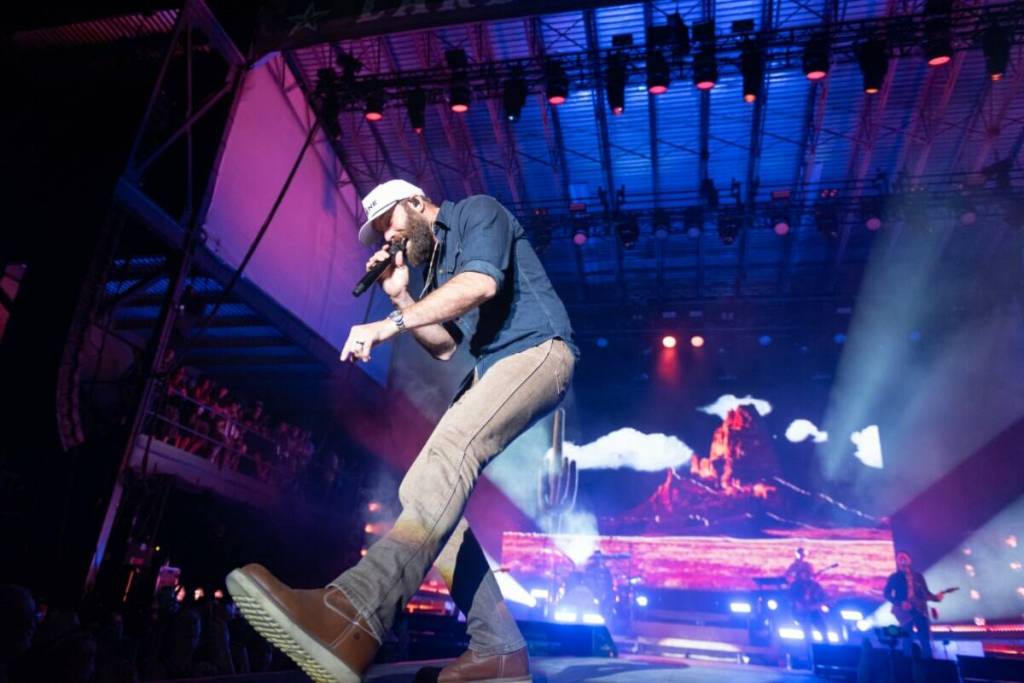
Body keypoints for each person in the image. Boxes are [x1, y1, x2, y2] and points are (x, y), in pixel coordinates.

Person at [226, 180, 577, 683]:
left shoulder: (479, 211)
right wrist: (400, 293)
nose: (388, 238)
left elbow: (481, 286)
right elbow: (444, 347)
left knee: (449, 454)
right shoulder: (436, 265)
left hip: (538, 351)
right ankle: (499, 648)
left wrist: (386, 325)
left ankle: (354, 610)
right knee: (420, 490)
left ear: (415, 202)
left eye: (389, 222)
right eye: (379, 235)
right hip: (494, 366)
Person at [883, 550, 942, 659]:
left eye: (904, 557)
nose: (902, 559)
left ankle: (929, 664)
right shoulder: (894, 577)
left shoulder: (918, 576)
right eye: (899, 558)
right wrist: (900, 603)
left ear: (910, 560)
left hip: (920, 610)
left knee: (924, 638)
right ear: (897, 561)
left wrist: (936, 598)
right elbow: (886, 594)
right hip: (905, 612)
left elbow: (925, 593)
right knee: (907, 638)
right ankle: (907, 666)